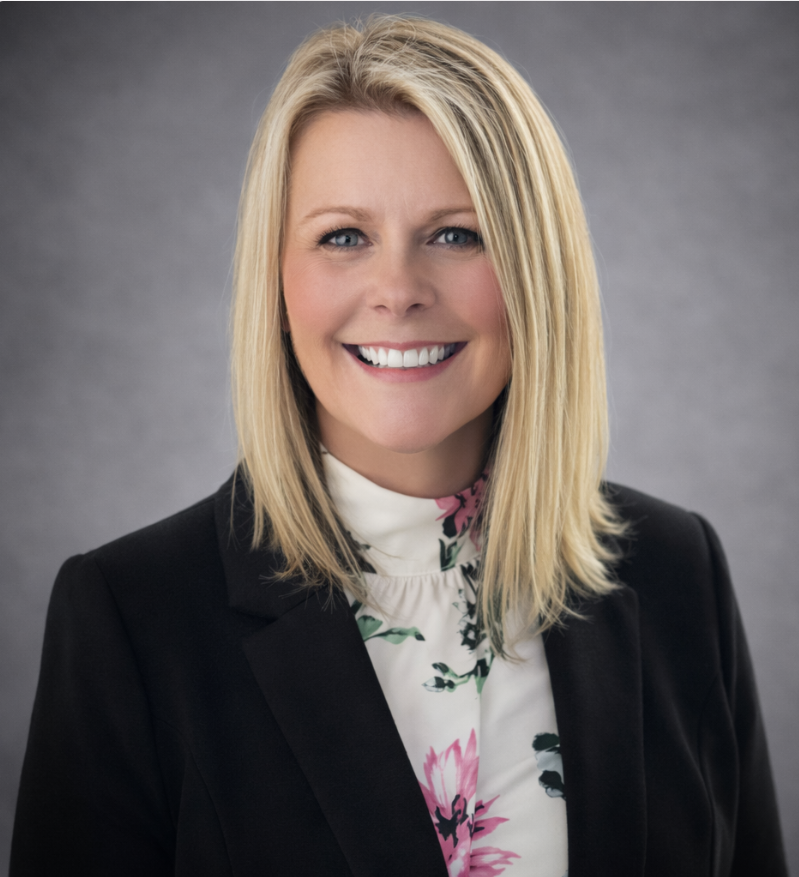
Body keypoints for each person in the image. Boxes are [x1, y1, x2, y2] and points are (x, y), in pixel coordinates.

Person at [10, 15, 787, 877]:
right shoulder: (130, 618)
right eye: (343, 236)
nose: (396, 291)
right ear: (277, 280)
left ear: (535, 271)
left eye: (455, 233)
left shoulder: (677, 572)